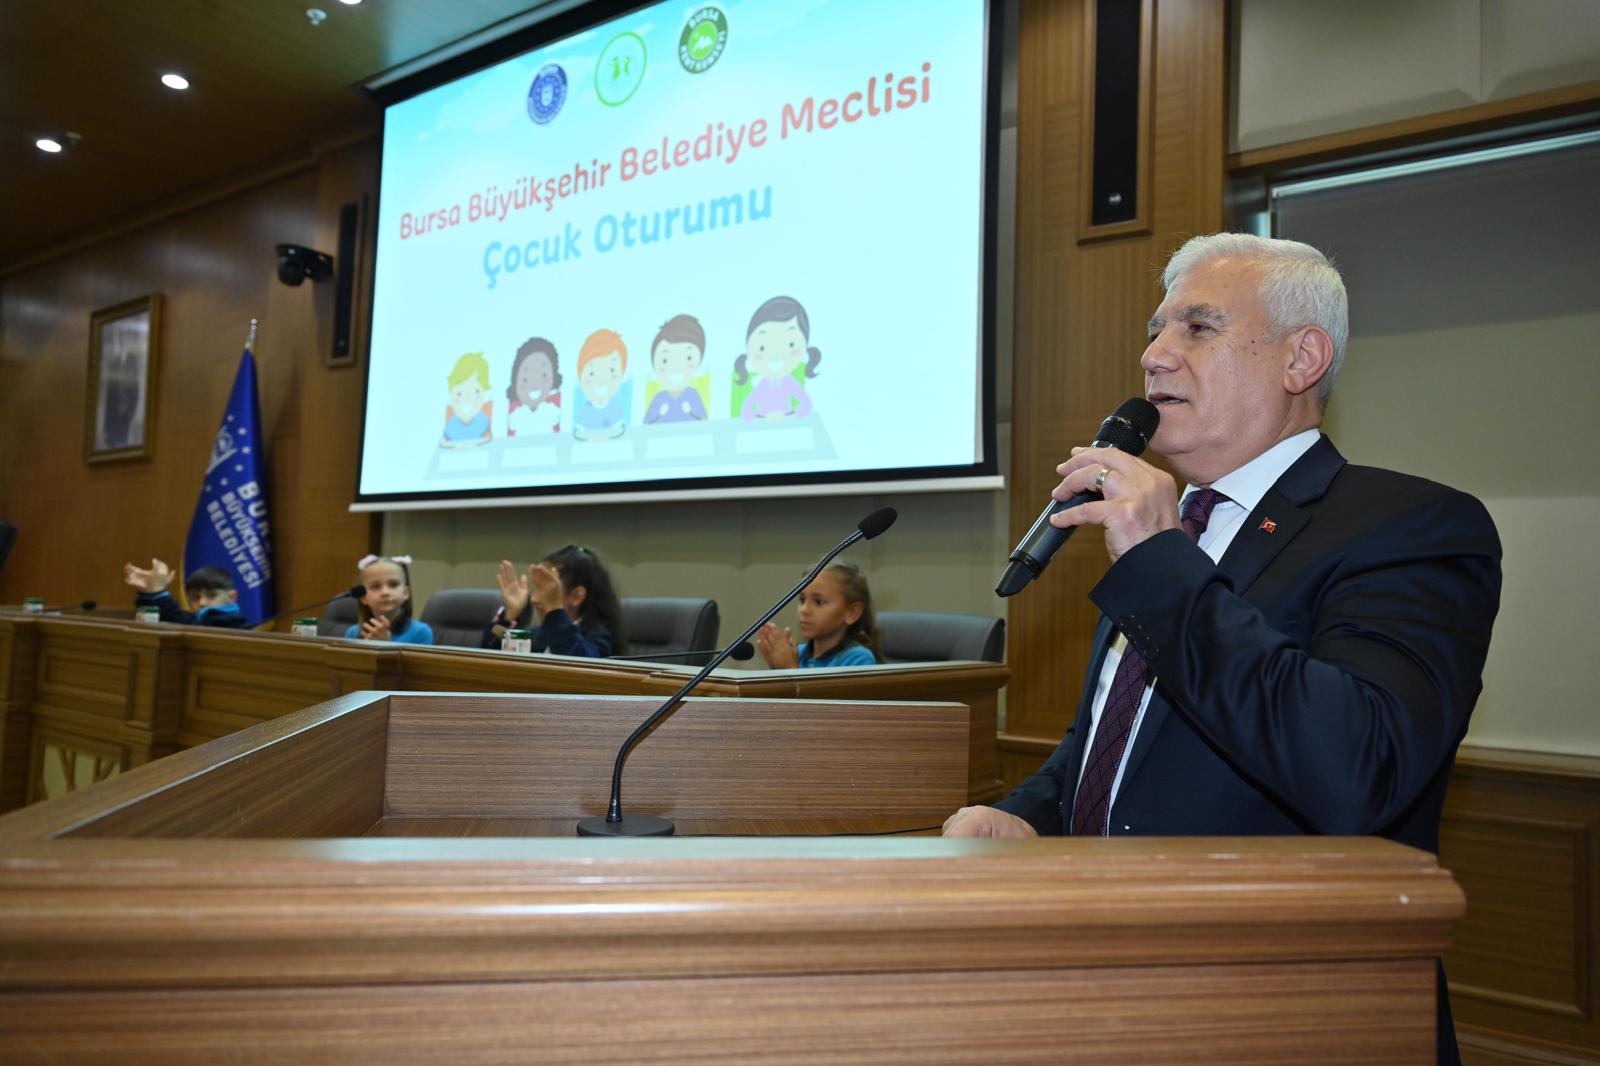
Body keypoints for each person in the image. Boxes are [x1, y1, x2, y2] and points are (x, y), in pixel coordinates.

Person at [942, 233, 1500, 1065]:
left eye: (1197, 328)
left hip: (1288, 1015)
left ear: (1302, 359)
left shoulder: (1410, 527)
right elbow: (1117, 741)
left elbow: (1359, 766)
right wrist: (1026, 816)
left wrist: (1160, 561)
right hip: (1108, 993)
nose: (1153, 355)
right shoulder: (1174, 532)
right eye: (1155, 330)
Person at [481, 543, 626, 657]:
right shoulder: (541, 633)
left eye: (546, 589)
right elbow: (487, 661)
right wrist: (510, 616)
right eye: (536, 588)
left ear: (576, 596)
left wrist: (555, 611)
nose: (534, 599)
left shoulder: (597, 635)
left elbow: (578, 668)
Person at [756, 560, 878, 668]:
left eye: (818, 602)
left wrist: (788, 669)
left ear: (852, 613)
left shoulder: (859, 659)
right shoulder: (796, 653)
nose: (804, 610)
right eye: (802, 600)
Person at [734, 295, 820, 421]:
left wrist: (789, 416)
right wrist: (760, 418)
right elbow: (746, 411)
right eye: (762, 347)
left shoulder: (789, 382)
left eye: (790, 344)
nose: (775, 355)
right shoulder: (762, 385)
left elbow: (806, 405)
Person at [123, 559, 250, 628]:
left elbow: (186, 626)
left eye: (211, 595)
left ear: (232, 597)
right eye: (196, 597)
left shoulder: (229, 621)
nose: (202, 602)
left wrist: (158, 592)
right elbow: (150, 621)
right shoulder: (196, 618)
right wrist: (147, 593)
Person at [346, 554, 433, 644]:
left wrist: (386, 644)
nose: (385, 592)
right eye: (376, 586)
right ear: (363, 598)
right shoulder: (353, 633)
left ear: (406, 593)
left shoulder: (421, 632)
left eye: (393, 584)